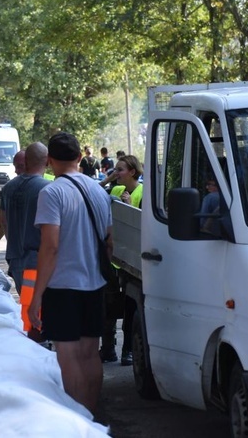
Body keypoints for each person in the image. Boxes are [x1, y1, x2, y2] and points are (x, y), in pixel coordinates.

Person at [29, 131, 112, 414]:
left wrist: (36, 296)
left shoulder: (51, 193)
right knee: (91, 354)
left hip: (64, 287)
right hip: (95, 285)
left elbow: (50, 248)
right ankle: (91, 417)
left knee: (68, 355)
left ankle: (77, 421)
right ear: (80, 157)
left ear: (50, 160)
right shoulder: (99, 191)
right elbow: (109, 242)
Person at [0, 146, 49, 294]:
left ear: (27, 162)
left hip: (16, 259)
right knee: (39, 307)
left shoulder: (8, 188)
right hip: (36, 259)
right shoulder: (47, 189)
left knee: (28, 303)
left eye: (19, 166)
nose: (16, 170)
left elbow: (2, 220)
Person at [101, 154, 143, 366]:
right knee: (108, 307)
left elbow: (145, 223)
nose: (116, 173)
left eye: (120, 170)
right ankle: (107, 349)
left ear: (132, 172)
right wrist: (108, 180)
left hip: (132, 262)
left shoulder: (144, 192)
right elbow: (93, 193)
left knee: (128, 309)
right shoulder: (115, 189)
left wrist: (130, 206)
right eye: (115, 169)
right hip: (113, 258)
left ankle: (128, 351)